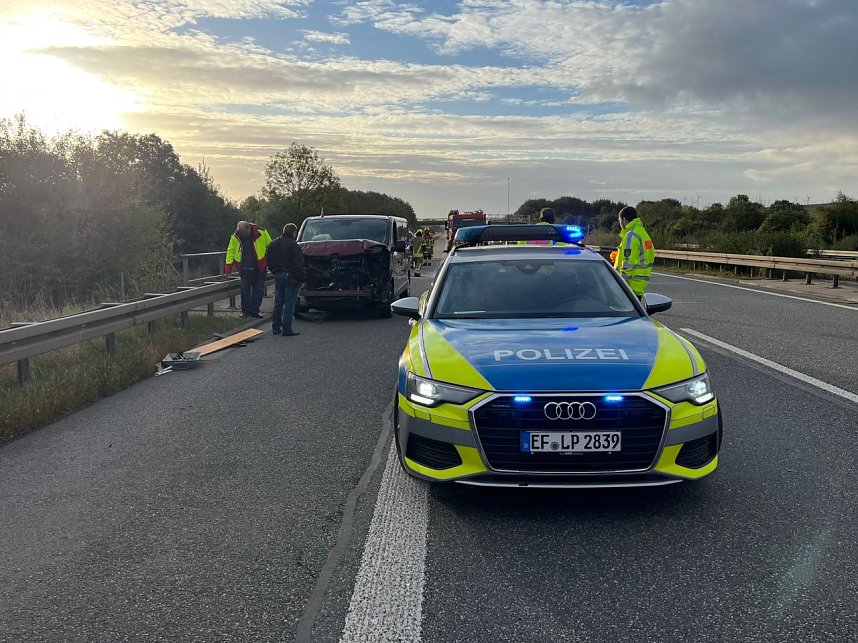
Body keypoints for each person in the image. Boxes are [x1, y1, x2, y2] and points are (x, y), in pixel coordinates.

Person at [266, 223, 307, 336]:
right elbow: (298, 264)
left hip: (278, 275)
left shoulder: (273, 244)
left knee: (278, 302)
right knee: (289, 304)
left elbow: (268, 260)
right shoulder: (294, 245)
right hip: (291, 277)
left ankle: (275, 327)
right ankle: (287, 329)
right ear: (294, 232)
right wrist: (302, 279)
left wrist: (274, 271)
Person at [225, 220, 272, 318]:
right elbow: (231, 251)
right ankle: (246, 311)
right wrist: (228, 267)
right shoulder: (236, 236)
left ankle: (255, 311)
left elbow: (270, 246)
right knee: (244, 290)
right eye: (240, 233)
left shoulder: (261, 232)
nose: (243, 235)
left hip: (259, 267)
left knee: (258, 290)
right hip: (244, 268)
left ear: (249, 228)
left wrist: (268, 261)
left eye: (244, 233)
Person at [614, 206, 654, 298]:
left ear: (624, 219)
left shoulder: (631, 236)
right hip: (640, 286)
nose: (620, 223)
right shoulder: (643, 233)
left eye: (619, 220)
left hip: (629, 287)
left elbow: (627, 264)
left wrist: (621, 286)